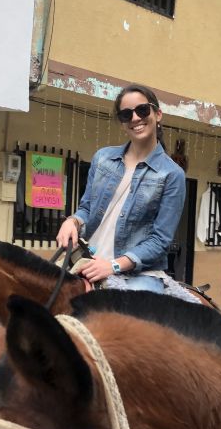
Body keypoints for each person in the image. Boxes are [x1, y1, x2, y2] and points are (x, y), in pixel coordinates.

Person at [56, 84, 186, 294]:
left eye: (142, 110)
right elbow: (87, 208)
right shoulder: (103, 158)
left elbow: (160, 240)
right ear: (122, 122)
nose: (135, 118)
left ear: (158, 114)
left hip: (139, 274)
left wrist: (113, 265)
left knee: (136, 321)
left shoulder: (172, 174)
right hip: (87, 260)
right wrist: (72, 221)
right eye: (126, 114)